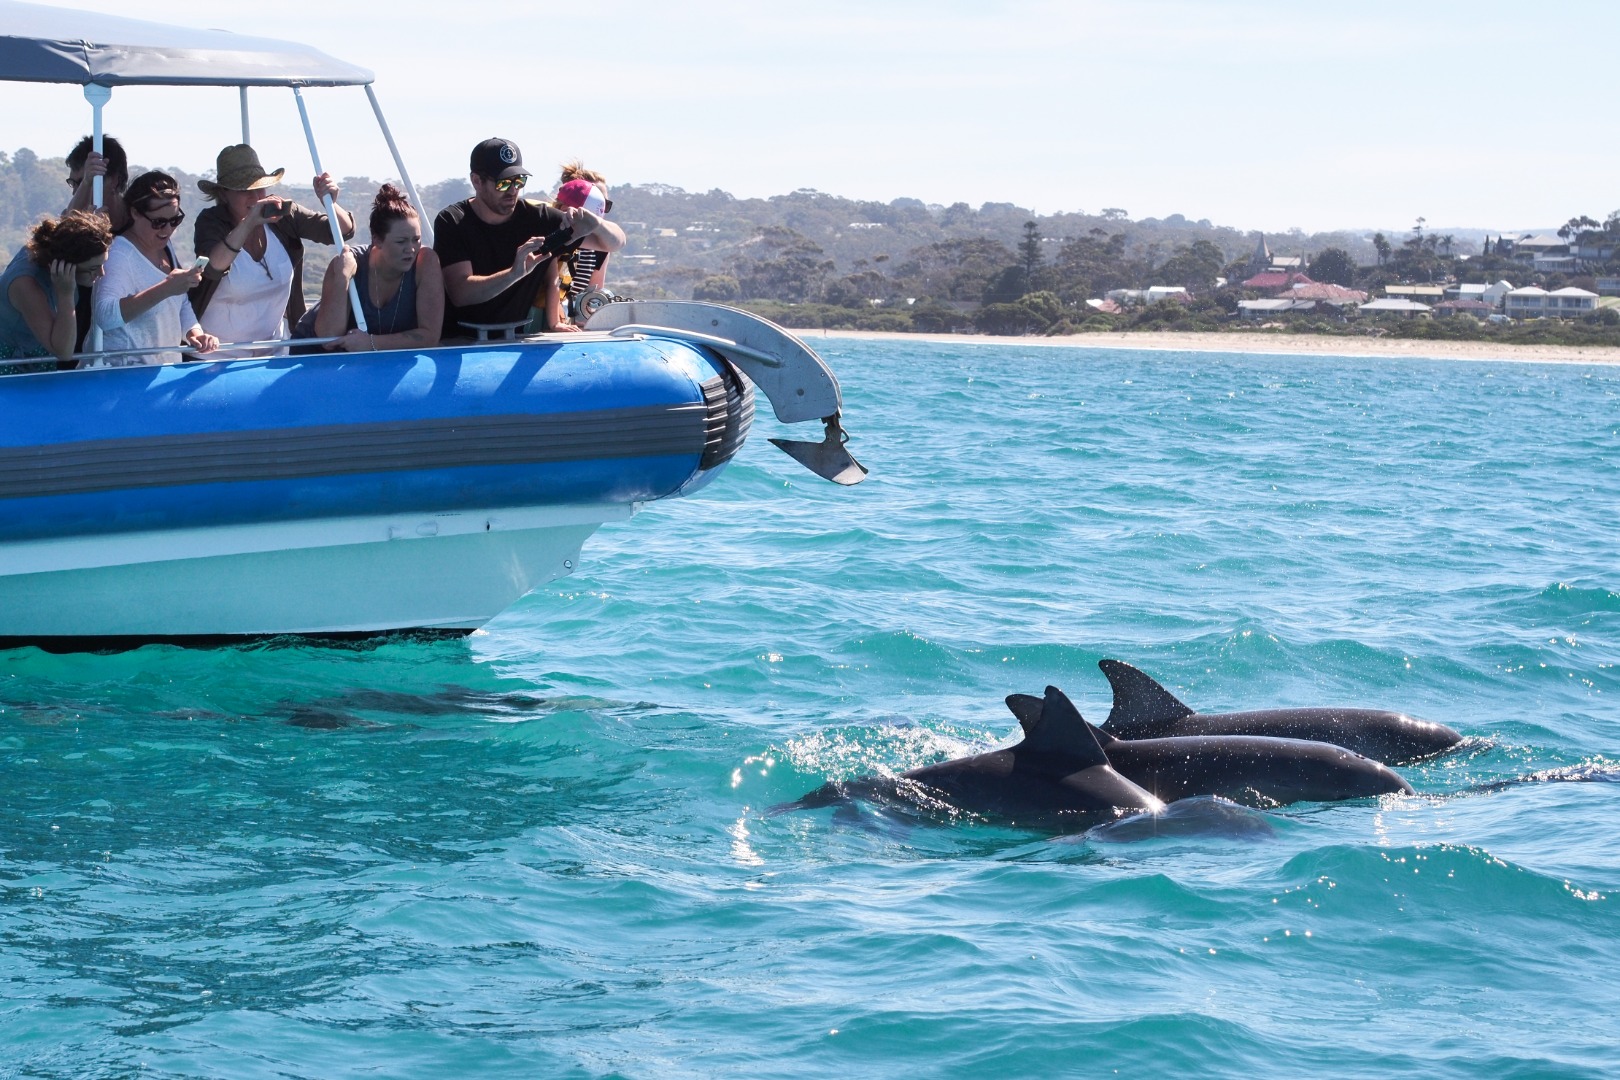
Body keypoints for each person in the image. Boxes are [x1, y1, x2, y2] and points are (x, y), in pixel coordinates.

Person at [433, 137, 624, 339]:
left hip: (513, 340)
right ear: (477, 181)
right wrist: (515, 273)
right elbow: (461, 293)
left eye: (519, 181)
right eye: (504, 183)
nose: (513, 190)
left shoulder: (540, 220)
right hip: (458, 342)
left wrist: (595, 223)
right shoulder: (453, 221)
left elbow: (614, 243)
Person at [190, 144, 355, 356]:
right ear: (224, 194)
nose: (255, 197)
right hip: (214, 355)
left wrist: (330, 203)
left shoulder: (283, 215)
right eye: (244, 190)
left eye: (259, 188)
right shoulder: (210, 222)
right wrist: (250, 222)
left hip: (273, 353)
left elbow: (341, 231)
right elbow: (213, 266)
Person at [293, 184, 444, 352]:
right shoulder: (348, 263)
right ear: (377, 240)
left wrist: (372, 343)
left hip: (369, 358)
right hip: (314, 356)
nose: (411, 249)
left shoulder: (426, 262)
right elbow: (329, 338)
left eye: (416, 239)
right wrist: (343, 278)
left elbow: (429, 336)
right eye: (401, 241)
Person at [91, 171, 218, 367]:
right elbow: (106, 316)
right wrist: (166, 288)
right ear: (134, 212)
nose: (167, 230)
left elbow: (179, 303)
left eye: (175, 220)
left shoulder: (166, 246)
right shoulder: (119, 254)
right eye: (158, 222)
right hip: (121, 377)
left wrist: (195, 334)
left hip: (160, 372)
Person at [0, 211, 112, 373]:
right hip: (7, 367)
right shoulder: (26, 285)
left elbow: (70, 221)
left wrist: (87, 185)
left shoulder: (53, 244)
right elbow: (64, 352)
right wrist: (65, 294)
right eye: (93, 268)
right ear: (65, 265)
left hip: (35, 356)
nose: (101, 274)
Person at [63, 135, 130, 350]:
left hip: (127, 354)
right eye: (75, 183)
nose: (76, 190)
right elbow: (59, 237)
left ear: (115, 180)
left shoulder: (143, 225)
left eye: (84, 182)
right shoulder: (73, 224)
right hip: (75, 349)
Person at [548, 166, 615, 330]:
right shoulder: (555, 233)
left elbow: (594, 293)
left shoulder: (602, 246)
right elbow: (551, 282)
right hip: (547, 319)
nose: (601, 210)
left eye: (606, 204)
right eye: (597, 202)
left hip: (573, 323)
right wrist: (556, 323)